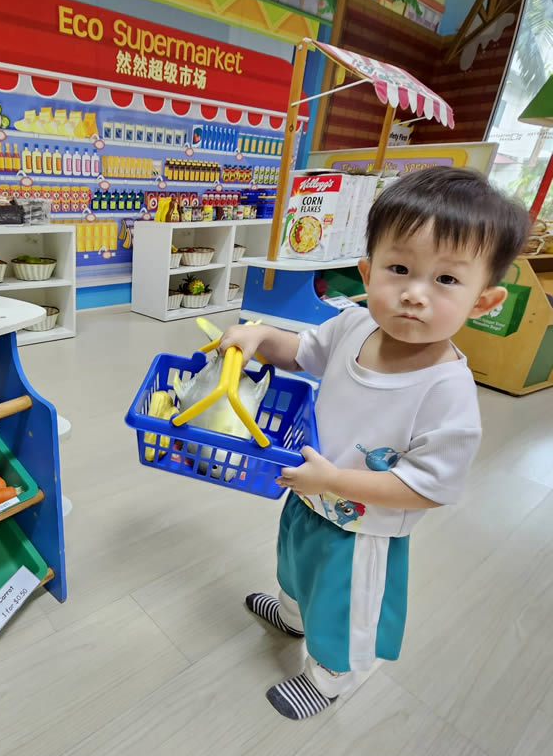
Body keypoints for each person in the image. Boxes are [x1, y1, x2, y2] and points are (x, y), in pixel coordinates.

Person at [219, 167, 530, 720]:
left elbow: (427, 487)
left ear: (483, 302)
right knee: (295, 567)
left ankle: (330, 676)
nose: (414, 293)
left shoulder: (448, 392)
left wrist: (335, 481)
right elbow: (301, 353)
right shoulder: (353, 326)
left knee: (343, 607)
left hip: (364, 528)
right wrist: (261, 335)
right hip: (307, 494)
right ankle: (292, 616)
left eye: (446, 279)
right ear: (367, 272)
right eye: (399, 268)